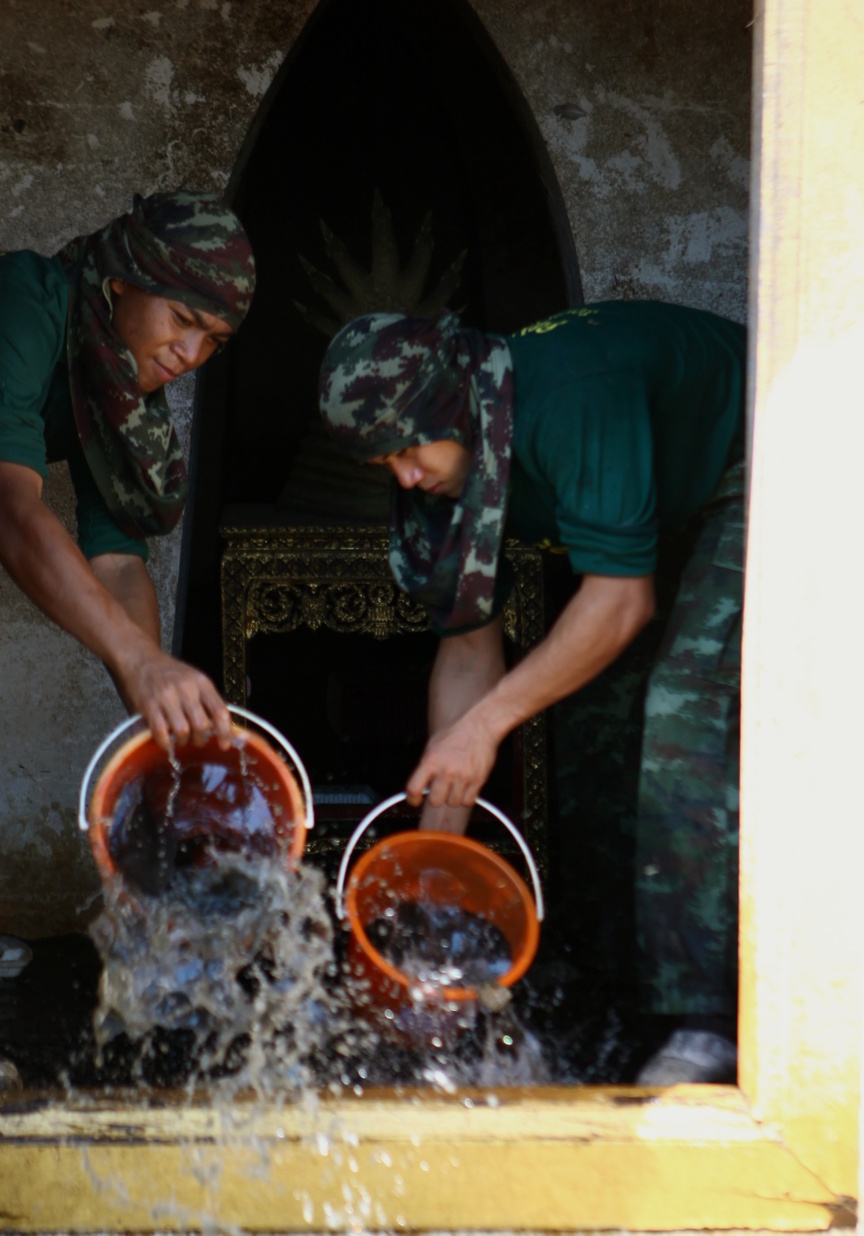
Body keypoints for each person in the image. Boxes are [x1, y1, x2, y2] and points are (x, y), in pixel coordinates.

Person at [318, 301, 746, 1084]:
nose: (405, 476)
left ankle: (711, 1020)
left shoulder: (572, 394)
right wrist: (433, 864)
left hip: (758, 467)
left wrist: (482, 729)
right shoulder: (437, 465)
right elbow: (468, 647)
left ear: (449, 407)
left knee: (686, 711)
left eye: (409, 451)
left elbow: (620, 601)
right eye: (384, 466)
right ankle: (622, 992)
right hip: (661, 508)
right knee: (593, 723)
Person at [0, 190, 255, 751]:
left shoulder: (111, 383)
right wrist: (134, 661)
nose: (190, 353)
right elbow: (7, 504)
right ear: (125, 277)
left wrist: (155, 715)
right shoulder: (26, 303)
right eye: (182, 318)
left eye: (214, 342)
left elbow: (119, 562)